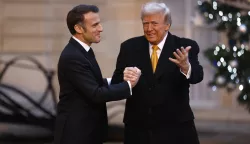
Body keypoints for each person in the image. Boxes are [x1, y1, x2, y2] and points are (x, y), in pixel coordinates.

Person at [112, 2, 204, 144]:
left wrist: (186, 67)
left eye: (154, 23)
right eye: (145, 23)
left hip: (176, 129)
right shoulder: (129, 47)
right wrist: (127, 80)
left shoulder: (184, 46)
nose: (149, 29)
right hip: (138, 130)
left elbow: (197, 76)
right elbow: (116, 82)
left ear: (167, 25)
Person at [54, 4, 141, 144]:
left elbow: (91, 82)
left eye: (99, 23)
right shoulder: (73, 56)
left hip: (87, 132)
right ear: (78, 28)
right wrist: (128, 85)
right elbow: (96, 94)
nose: (100, 28)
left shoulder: (83, 50)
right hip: (76, 135)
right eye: (95, 25)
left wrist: (119, 79)